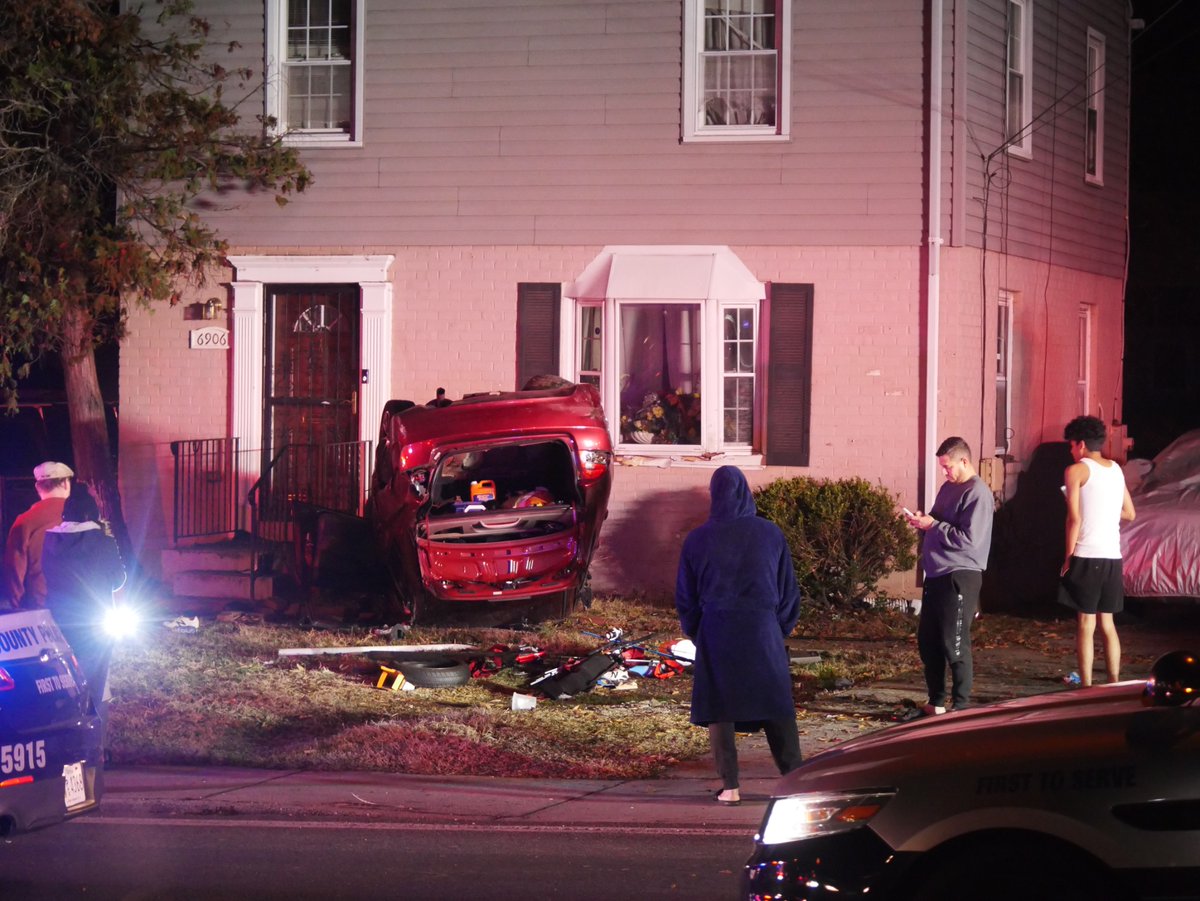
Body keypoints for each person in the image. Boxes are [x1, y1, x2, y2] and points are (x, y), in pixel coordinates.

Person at [675, 465, 802, 806]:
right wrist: (779, 628)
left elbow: (686, 597)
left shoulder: (697, 539)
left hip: (717, 628)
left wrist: (700, 630)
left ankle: (730, 786)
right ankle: (794, 779)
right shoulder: (770, 534)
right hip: (763, 628)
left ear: (715, 496)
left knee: (721, 707)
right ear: (746, 492)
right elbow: (788, 589)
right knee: (775, 702)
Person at [906, 437, 994, 715]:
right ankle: (936, 701)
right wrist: (923, 521)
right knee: (929, 640)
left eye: (948, 466)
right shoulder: (948, 488)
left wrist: (934, 526)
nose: (945, 472)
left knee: (953, 640)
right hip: (936, 573)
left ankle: (961, 706)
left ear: (964, 461)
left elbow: (970, 540)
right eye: (942, 467)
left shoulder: (978, 494)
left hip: (960, 574)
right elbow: (937, 520)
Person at [1057, 415, 1136, 686]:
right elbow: (1130, 513)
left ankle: (1087, 686)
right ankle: (1114, 682)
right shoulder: (1116, 469)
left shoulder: (1076, 470)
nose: (1070, 450)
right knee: (1108, 625)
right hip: (1113, 556)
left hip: (1087, 555)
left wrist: (1068, 557)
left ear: (1080, 444)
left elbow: (1074, 519)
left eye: (1071, 445)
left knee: (1085, 625)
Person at [41, 484, 126, 716]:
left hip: (58, 622)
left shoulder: (49, 541)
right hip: (95, 622)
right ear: (91, 512)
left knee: (65, 678)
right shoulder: (103, 542)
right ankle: (93, 732)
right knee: (95, 682)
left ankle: (66, 719)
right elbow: (118, 579)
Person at [2, 461, 73, 609]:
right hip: (84, 606)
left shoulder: (24, 521)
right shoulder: (84, 517)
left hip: (41, 606)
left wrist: (17, 606)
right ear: (66, 484)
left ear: (37, 487)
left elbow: (14, 570)